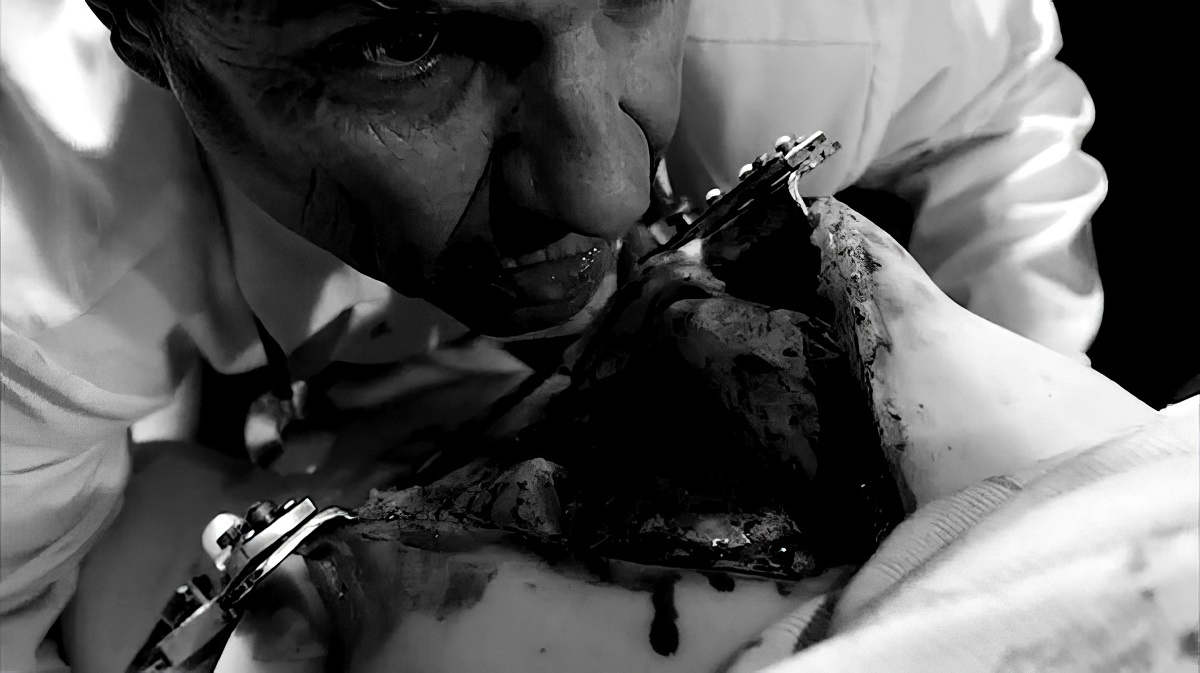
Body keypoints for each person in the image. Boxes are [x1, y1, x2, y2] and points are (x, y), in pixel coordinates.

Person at [0, 0, 1107, 669]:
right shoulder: (36, 281)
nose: (608, 196)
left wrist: (1027, 448)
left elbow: (999, 119)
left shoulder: (847, 24)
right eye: (407, 40)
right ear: (134, 23)